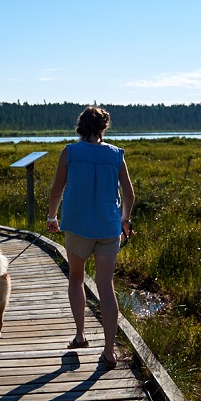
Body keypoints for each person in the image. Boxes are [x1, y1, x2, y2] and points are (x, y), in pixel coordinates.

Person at [46, 106, 134, 368]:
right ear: (103, 128)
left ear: (80, 127)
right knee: (106, 288)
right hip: (109, 229)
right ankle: (109, 351)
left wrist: (52, 218)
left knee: (76, 279)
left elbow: (56, 190)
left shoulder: (70, 152)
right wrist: (125, 220)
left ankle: (81, 335)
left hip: (77, 227)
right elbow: (128, 195)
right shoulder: (116, 155)